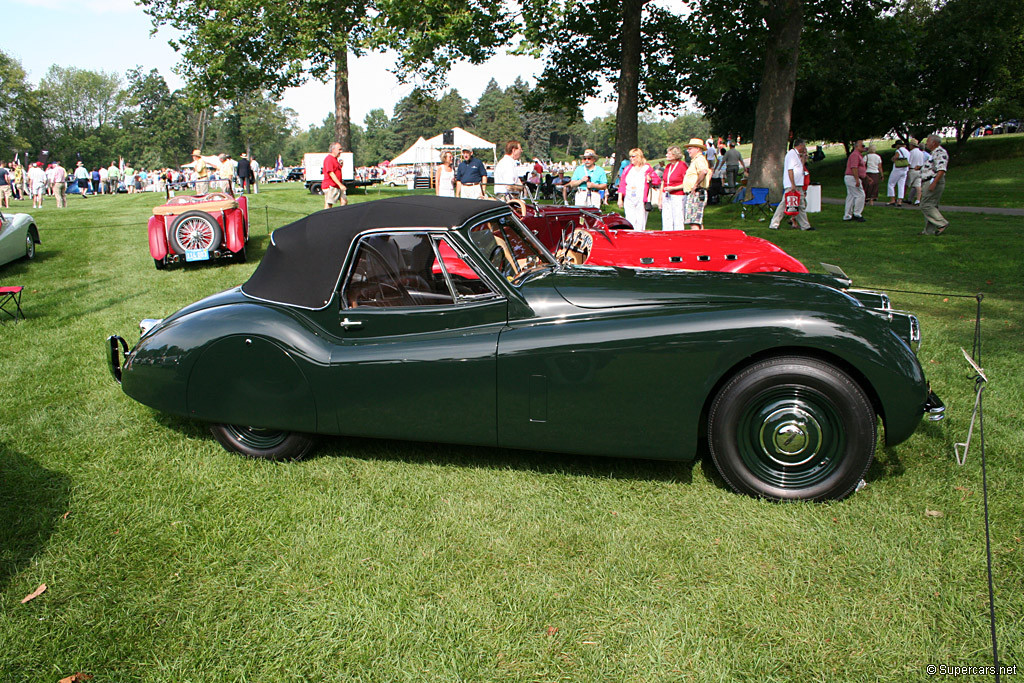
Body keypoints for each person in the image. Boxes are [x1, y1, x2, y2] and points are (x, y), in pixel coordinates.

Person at [769, 139, 814, 231]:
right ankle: (774, 223)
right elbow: (790, 170)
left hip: (798, 184)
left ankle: (805, 225)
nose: (804, 148)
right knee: (784, 204)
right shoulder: (791, 155)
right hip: (792, 184)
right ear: (800, 146)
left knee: (801, 204)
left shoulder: (797, 155)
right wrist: (792, 184)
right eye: (804, 146)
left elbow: (799, 168)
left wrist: (803, 159)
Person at [616, 148, 660, 231]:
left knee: (641, 220)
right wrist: (620, 198)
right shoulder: (628, 169)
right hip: (629, 197)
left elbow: (657, 181)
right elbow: (622, 184)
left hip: (641, 198)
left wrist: (650, 179)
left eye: (633, 156)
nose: (631, 158)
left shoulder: (647, 168)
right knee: (629, 218)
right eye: (630, 157)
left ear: (639, 157)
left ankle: (640, 235)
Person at [919, 134, 949, 235]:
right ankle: (929, 231)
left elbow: (941, 169)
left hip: (933, 181)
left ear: (934, 143)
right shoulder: (933, 153)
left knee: (925, 205)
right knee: (932, 205)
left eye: (928, 141)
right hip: (929, 180)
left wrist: (934, 183)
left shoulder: (940, 153)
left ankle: (941, 223)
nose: (926, 143)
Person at [682, 138, 711, 229]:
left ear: (697, 149)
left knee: (693, 221)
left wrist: (696, 185)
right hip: (697, 192)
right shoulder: (696, 160)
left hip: (697, 193)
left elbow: (704, 171)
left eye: (690, 148)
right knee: (696, 220)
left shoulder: (699, 159)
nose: (688, 150)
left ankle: (697, 240)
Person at [658, 146, 688, 231]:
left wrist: (674, 188)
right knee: (666, 217)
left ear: (675, 155)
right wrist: (660, 198)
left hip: (678, 195)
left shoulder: (682, 166)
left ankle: (678, 235)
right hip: (667, 195)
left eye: (669, 154)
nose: (666, 155)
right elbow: (663, 182)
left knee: (678, 217)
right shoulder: (668, 166)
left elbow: (686, 183)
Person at [843, 140, 867, 222]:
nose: (864, 147)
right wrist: (857, 179)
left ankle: (847, 215)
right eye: (862, 146)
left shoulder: (858, 155)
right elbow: (854, 167)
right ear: (856, 147)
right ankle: (857, 214)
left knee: (851, 196)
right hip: (852, 177)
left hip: (851, 177)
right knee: (860, 195)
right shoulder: (855, 155)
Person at [322, 142, 347, 209]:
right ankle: (324, 218)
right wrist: (340, 185)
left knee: (344, 201)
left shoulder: (335, 159)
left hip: (337, 186)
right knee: (329, 205)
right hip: (331, 186)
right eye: (339, 149)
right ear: (333, 150)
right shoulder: (329, 159)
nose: (341, 151)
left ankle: (341, 217)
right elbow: (331, 173)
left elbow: (336, 171)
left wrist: (340, 165)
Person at [886, 140, 909, 206]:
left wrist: (893, 158)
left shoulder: (898, 151)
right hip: (905, 169)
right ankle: (900, 201)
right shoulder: (907, 151)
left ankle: (892, 199)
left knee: (891, 183)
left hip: (898, 168)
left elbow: (895, 158)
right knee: (901, 185)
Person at [906, 138, 925, 206]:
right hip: (919, 170)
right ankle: (918, 200)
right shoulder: (921, 153)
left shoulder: (911, 153)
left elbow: (908, 162)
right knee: (918, 186)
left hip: (912, 169)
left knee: (906, 184)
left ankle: (901, 198)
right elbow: (922, 163)